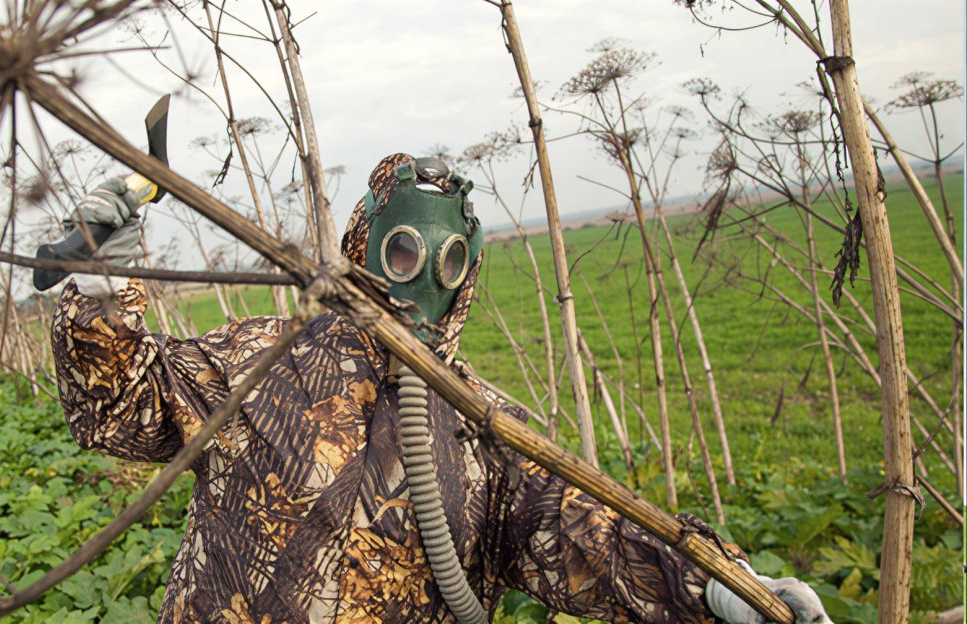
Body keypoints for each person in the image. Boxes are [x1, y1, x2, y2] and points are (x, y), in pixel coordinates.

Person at [51, 153, 832, 623]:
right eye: (402, 252)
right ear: (364, 244)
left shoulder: (491, 432)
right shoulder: (264, 357)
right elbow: (121, 408)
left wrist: (717, 589)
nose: (423, 278)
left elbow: (585, 536)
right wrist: (99, 284)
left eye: (446, 261)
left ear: (467, 269)